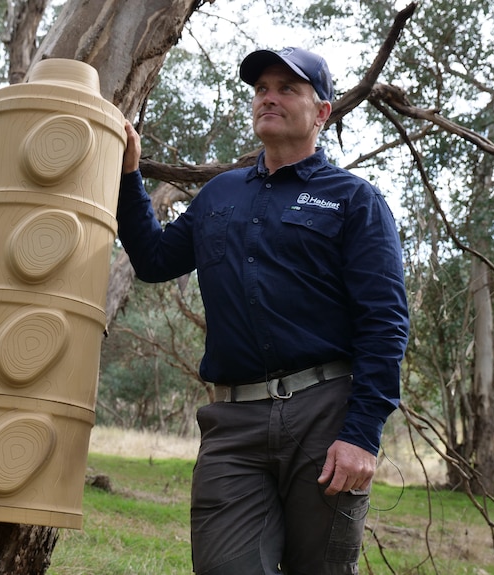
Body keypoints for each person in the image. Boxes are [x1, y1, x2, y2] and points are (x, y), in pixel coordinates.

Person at [116, 46, 409, 575]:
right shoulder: (220, 194)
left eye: (287, 89)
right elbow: (155, 260)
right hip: (234, 422)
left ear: (322, 112)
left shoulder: (353, 200)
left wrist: (361, 434)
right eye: (261, 90)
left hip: (325, 416)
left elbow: (384, 322)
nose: (268, 98)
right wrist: (127, 177)